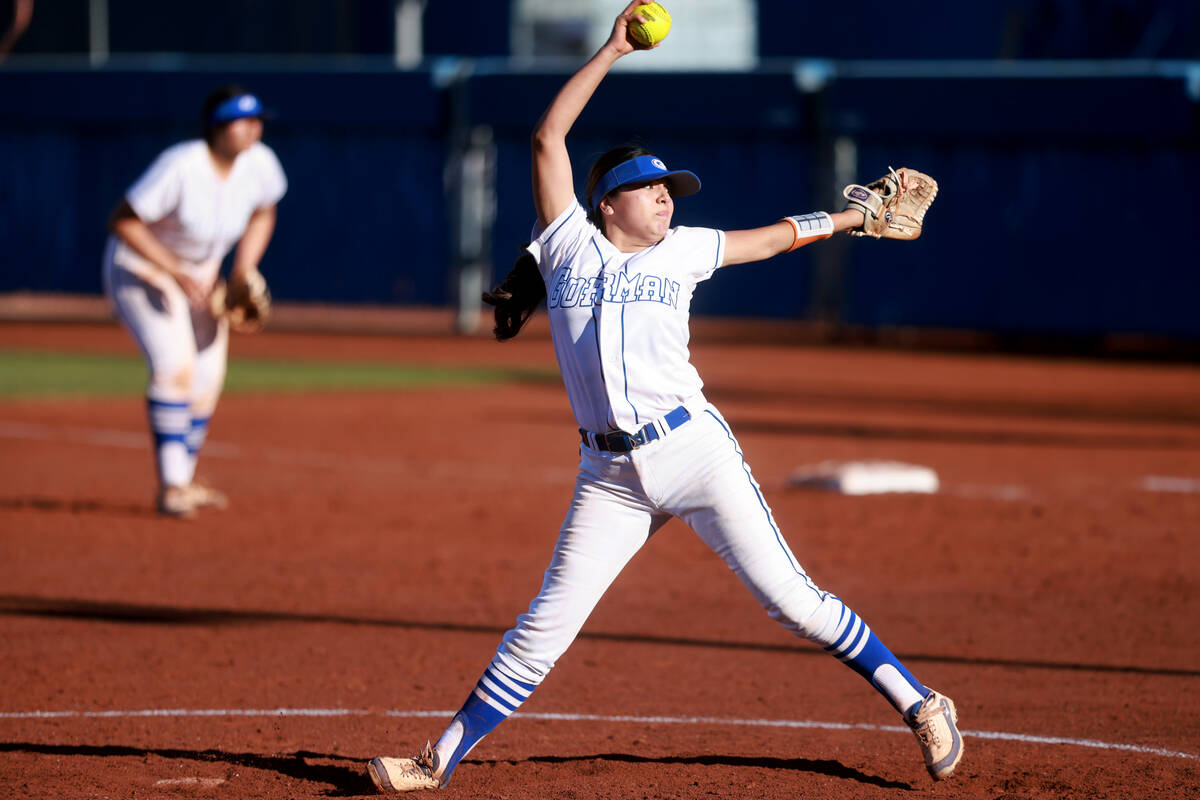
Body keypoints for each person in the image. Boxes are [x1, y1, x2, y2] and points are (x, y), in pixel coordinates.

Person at [368, 1, 962, 791]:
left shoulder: (684, 250)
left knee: (793, 602)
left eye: (670, 190)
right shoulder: (566, 245)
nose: (666, 198)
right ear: (607, 201)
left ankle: (921, 703)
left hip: (694, 454)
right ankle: (435, 761)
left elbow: (775, 236)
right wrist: (613, 48)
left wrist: (854, 217)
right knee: (542, 629)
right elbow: (547, 137)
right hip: (607, 480)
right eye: (650, 189)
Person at [102, 86, 287, 518]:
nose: (254, 127)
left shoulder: (260, 165)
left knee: (207, 377)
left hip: (199, 277)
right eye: (243, 120)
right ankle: (171, 487)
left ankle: (182, 480)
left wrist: (243, 269)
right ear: (217, 127)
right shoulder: (181, 166)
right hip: (141, 268)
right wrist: (174, 269)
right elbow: (123, 222)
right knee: (174, 365)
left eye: (258, 119)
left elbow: (265, 210)